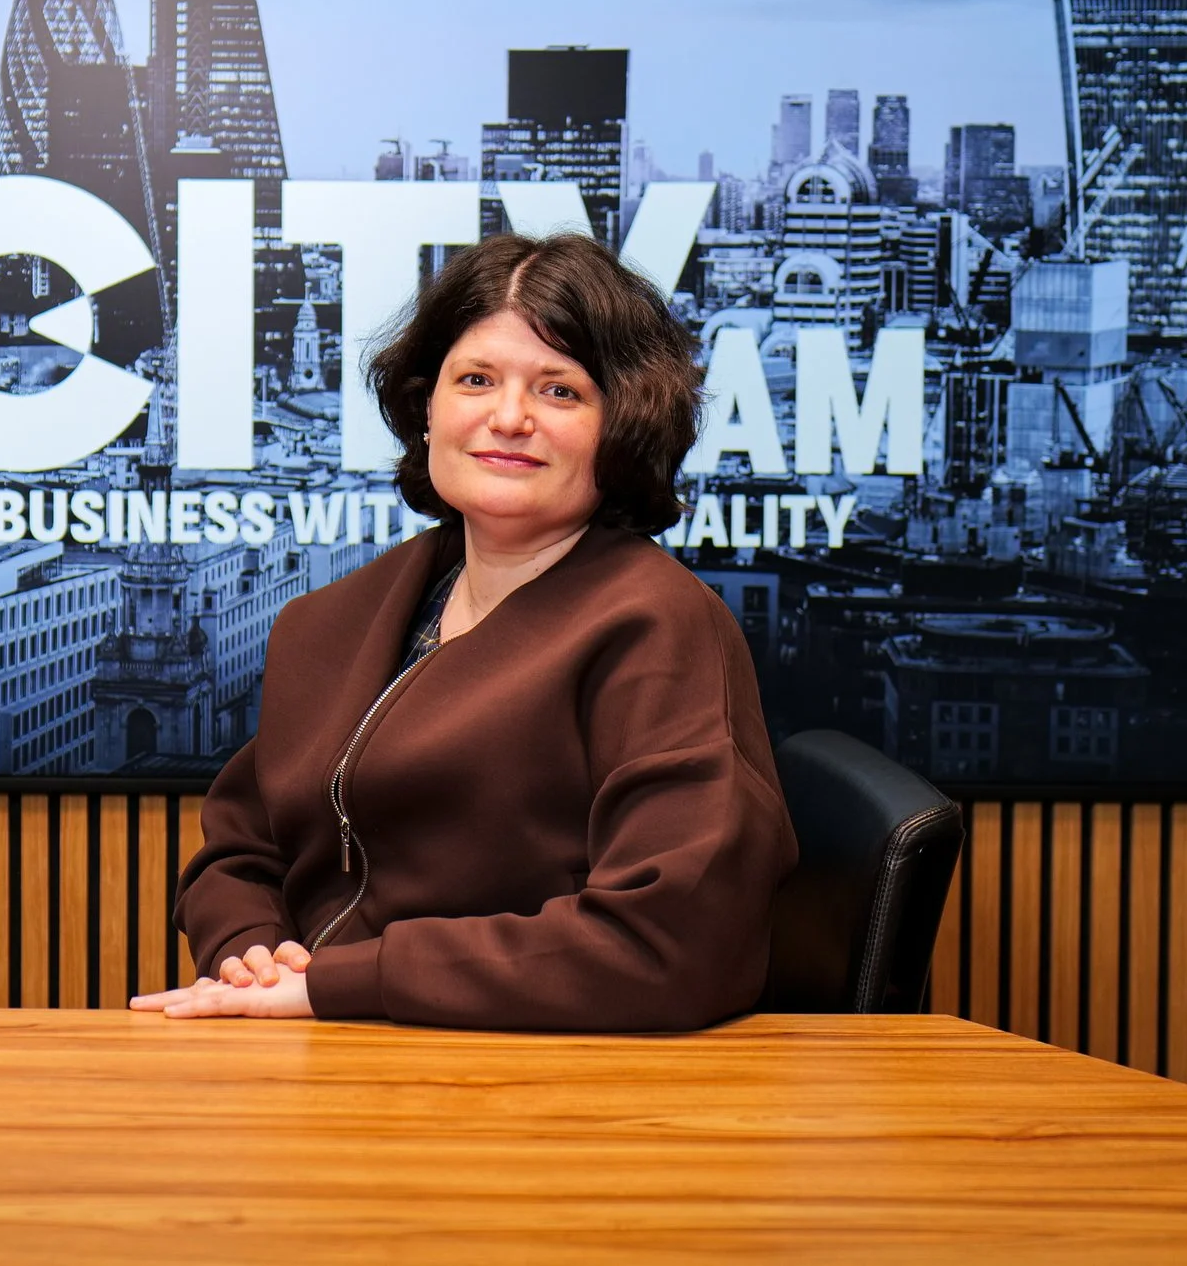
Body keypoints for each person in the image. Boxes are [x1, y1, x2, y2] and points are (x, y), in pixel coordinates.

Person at [129, 232, 797, 1031]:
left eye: (559, 391)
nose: (508, 418)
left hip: (528, 1072)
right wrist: (251, 952)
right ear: (427, 409)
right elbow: (240, 850)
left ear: (622, 425)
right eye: (476, 379)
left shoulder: (659, 629)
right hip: (317, 1048)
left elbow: (669, 938)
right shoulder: (332, 619)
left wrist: (337, 983)